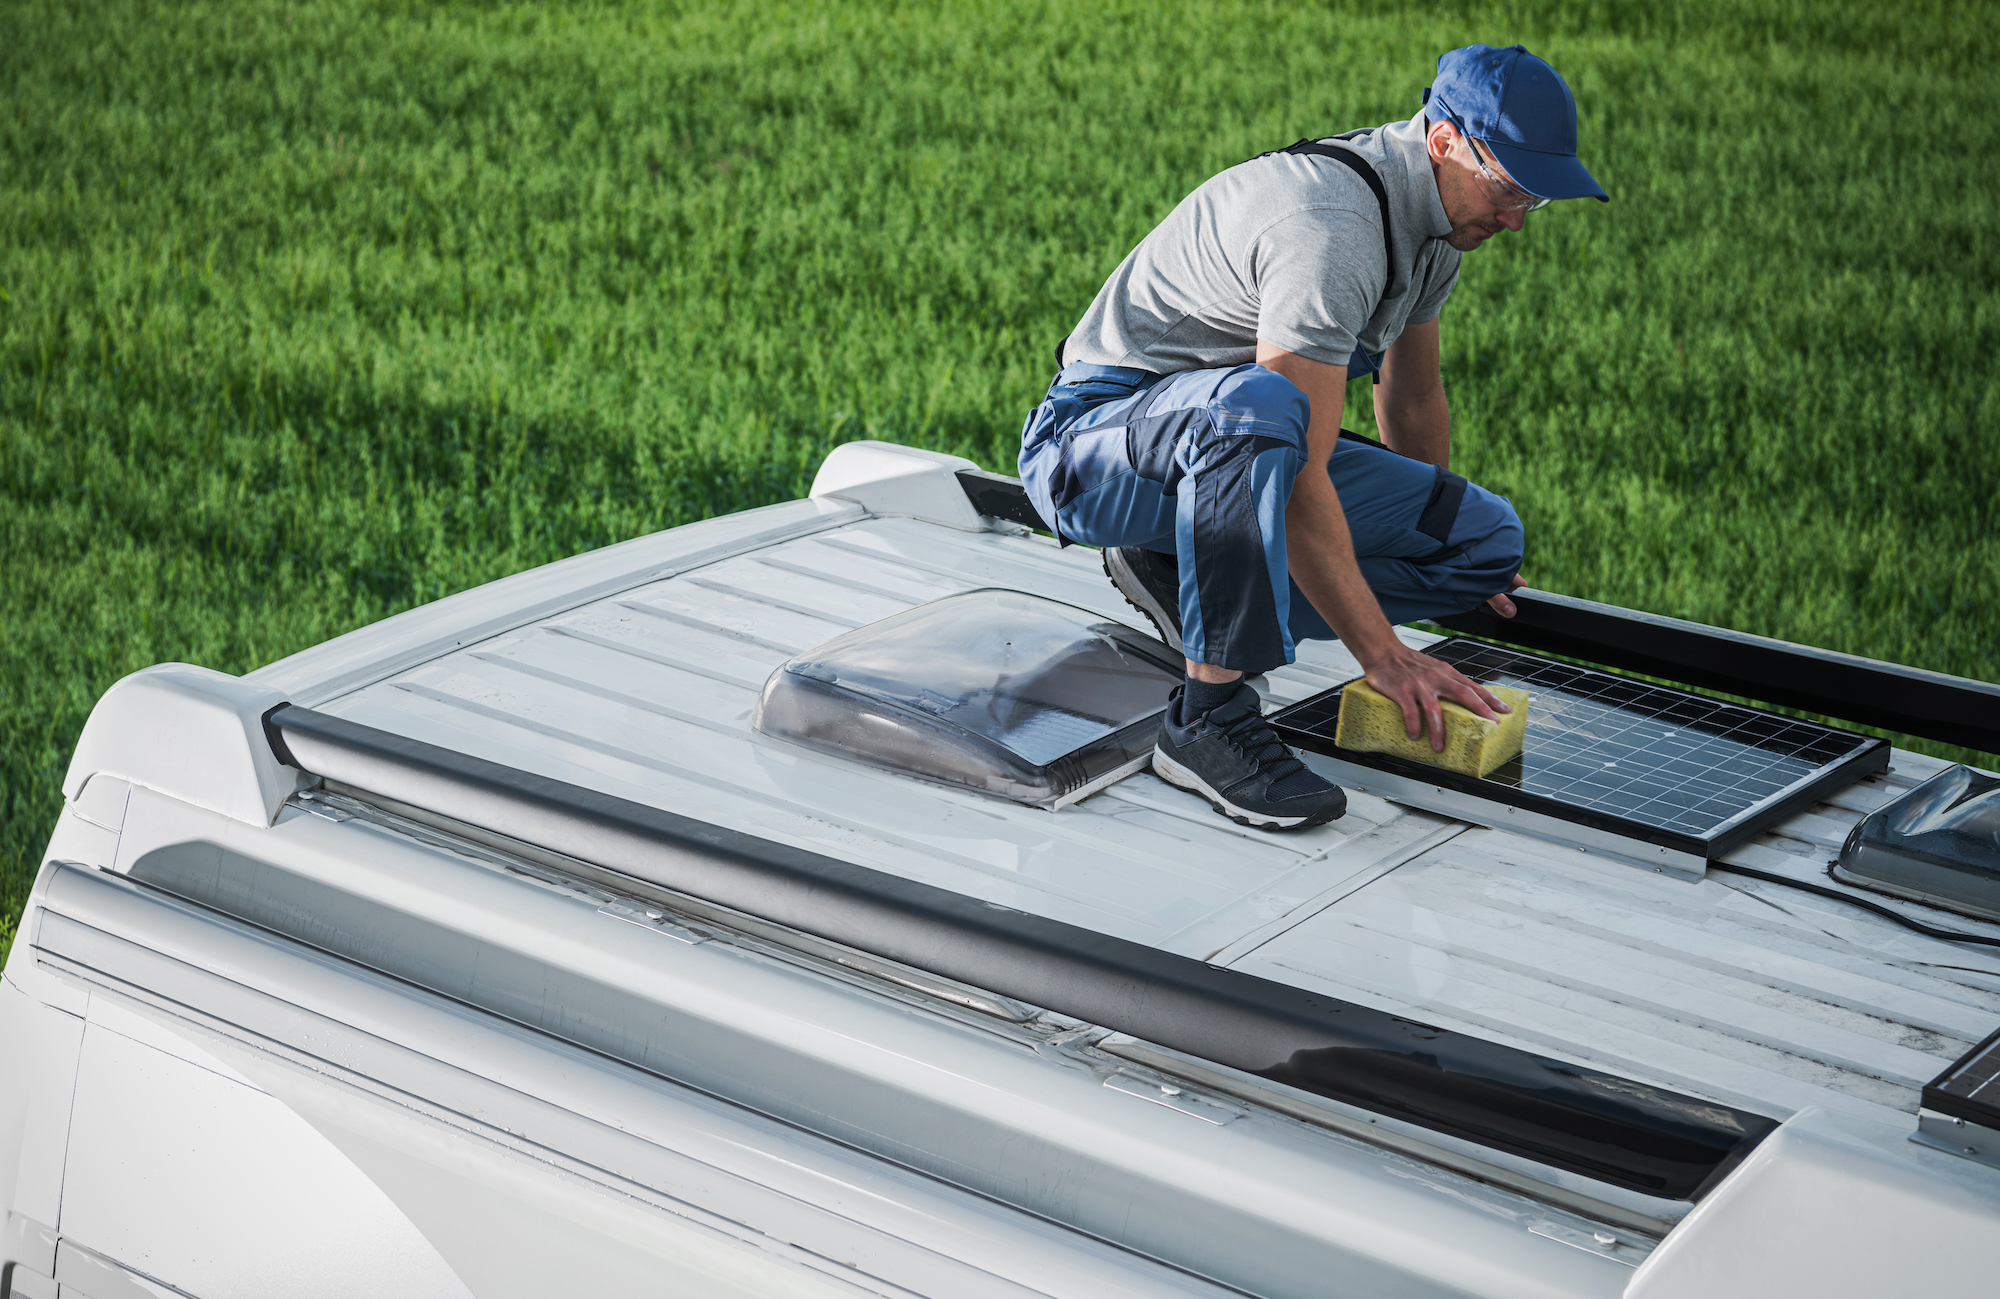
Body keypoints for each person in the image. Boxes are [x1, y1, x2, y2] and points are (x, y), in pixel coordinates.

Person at [1018, 44, 1607, 831]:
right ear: (1442, 142)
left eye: (1531, 201)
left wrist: (1427, 524)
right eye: (1508, 189)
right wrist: (1383, 653)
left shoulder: (1435, 225)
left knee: (1483, 540)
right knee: (1259, 414)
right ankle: (1208, 720)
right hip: (1091, 448)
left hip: (1225, 440)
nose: (1513, 218)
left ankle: (1179, 568)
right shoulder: (1333, 229)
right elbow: (1294, 471)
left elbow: (1412, 389)